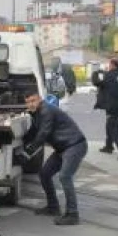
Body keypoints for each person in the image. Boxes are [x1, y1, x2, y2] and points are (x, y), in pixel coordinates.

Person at [21, 92, 88, 225]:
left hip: (74, 145)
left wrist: (28, 151)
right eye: (28, 102)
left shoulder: (46, 111)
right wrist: (20, 142)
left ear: (40, 99)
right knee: (44, 174)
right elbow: (33, 132)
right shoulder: (36, 114)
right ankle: (53, 207)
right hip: (62, 147)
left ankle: (72, 214)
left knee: (65, 176)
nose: (31, 104)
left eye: (33, 101)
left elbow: (43, 133)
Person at [95, 58, 118, 161]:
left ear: (113, 65)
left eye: (109, 65)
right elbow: (115, 83)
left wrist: (96, 74)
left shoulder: (109, 75)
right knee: (110, 124)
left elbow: (98, 83)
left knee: (113, 128)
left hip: (112, 105)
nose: (108, 66)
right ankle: (109, 146)